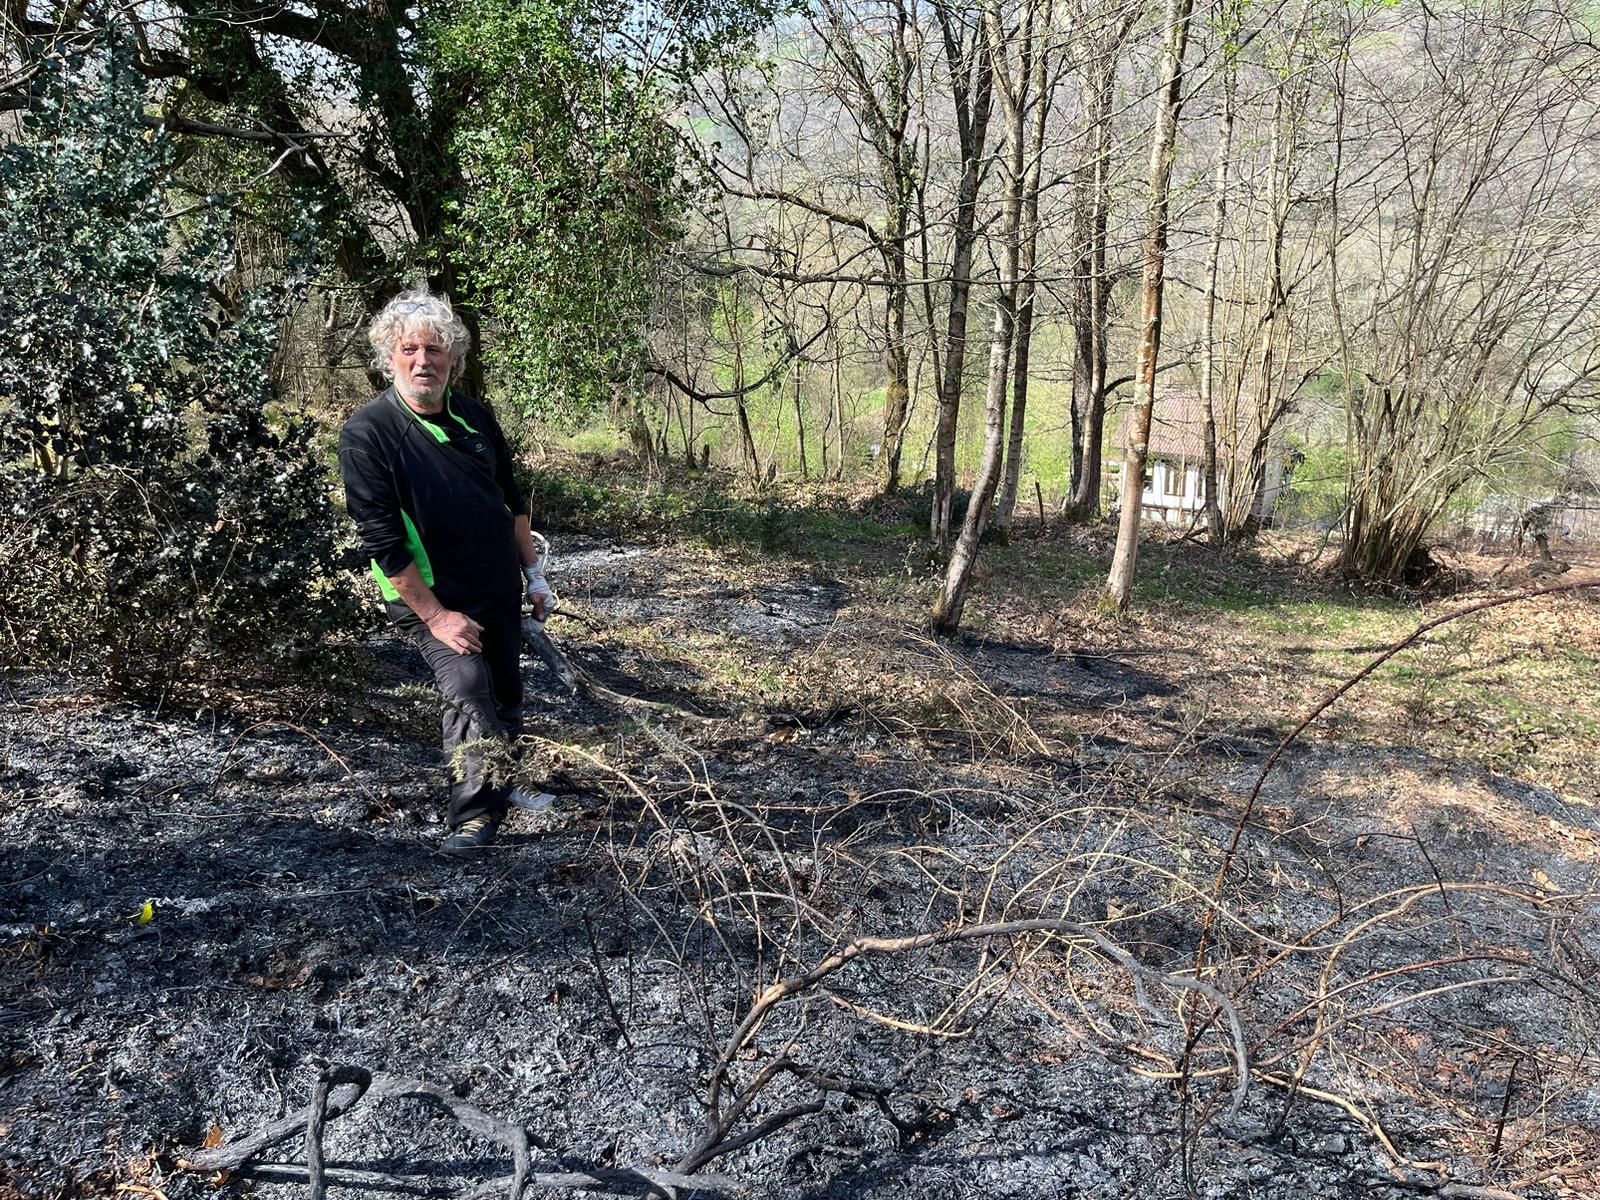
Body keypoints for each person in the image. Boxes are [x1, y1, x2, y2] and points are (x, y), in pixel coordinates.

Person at [339, 286, 552, 851]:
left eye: (435, 351)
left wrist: (535, 576)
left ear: (453, 360)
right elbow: (382, 542)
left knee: (506, 687)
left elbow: (513, 501)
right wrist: (436, 617)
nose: (422, 362)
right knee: (466, 686)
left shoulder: (475, 417)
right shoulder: (368, 435)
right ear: (389, 357)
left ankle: (504, 785)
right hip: (429, 597)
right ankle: (474, 818)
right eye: (409, 349)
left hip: (496, 585)